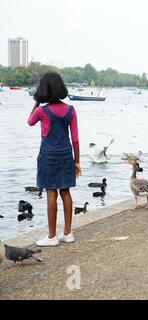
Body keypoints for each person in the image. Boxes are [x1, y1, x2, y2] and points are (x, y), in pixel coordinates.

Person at [28, 72, 81, 247]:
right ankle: (68, 232)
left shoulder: (42, 111)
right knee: (65, 192)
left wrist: (37, 101)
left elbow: (29, 121)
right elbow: (75, 139)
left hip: (48, 156)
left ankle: (51, 236)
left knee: (51, 193)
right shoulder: (71, 110)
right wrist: (77, 161)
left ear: (43, 90)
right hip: (66, 155)